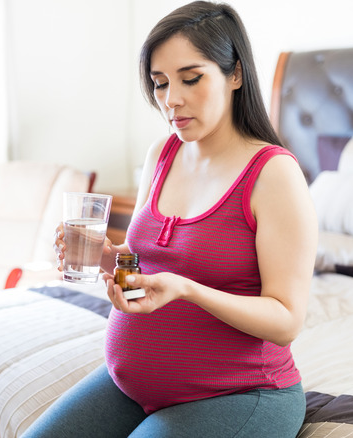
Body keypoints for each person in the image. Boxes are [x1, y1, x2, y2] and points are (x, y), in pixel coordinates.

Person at [23, 1, 317, 437]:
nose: (170, 100)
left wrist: (187, 291)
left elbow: (286, 319)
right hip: (131, 385)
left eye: (190, 78)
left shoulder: (274, 174)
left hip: (238, 394)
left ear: (235, 74)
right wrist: (106, 258)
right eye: (159, 84)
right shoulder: (162, 154)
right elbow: (142, 266)